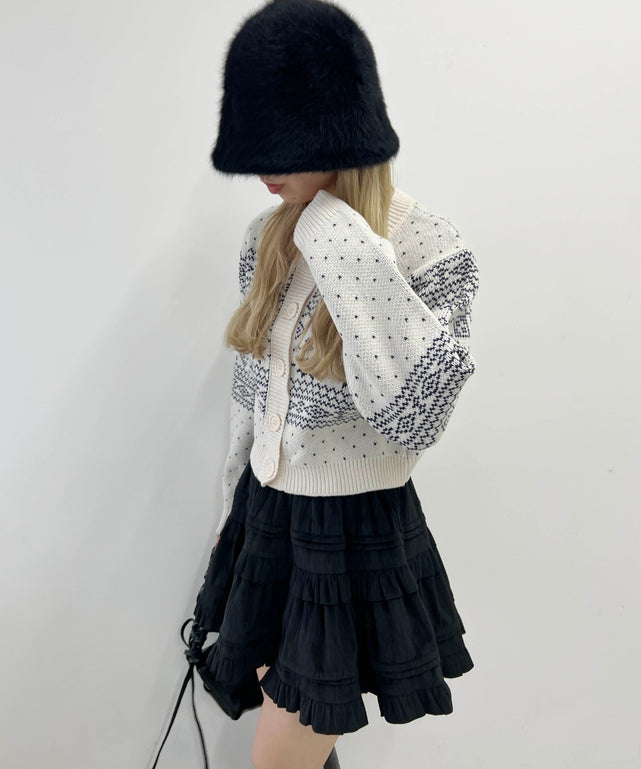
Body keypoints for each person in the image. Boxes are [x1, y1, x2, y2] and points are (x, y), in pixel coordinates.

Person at [150, 1, 479, 768]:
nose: (263, 172)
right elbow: (254, 393)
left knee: (278, 758)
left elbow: (418, 415)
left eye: (282, 147)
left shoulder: (426, 245)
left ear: (341, 134)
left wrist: (337, 234)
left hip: (352, 531)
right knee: (291, 743)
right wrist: (234, 501)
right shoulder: (264, 238)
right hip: (268, 516)